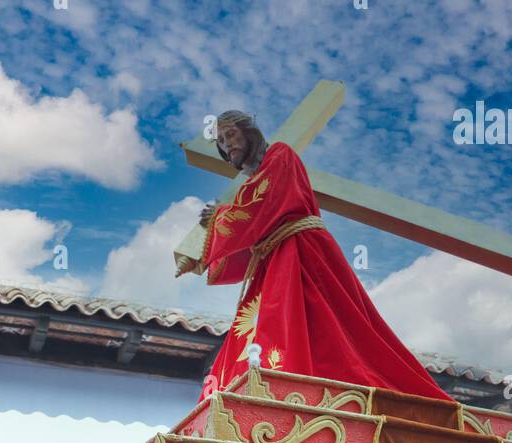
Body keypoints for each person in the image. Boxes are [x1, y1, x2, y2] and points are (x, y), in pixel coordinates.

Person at [177, 109, 453, 402]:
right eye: (220, 140)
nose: (226, 143)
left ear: (249, 132)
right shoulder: (250, 184)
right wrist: (205, 249)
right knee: (259, 332)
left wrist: (220, 218)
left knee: (321, 329)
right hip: (274, 259)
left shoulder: (280, 155)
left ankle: (299, 392)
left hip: (302, 251)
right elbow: (251, 233)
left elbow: (261, 206)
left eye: (230, 134)